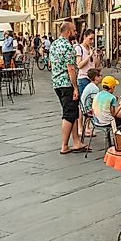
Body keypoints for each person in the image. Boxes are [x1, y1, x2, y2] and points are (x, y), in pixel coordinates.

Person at [50, 21, 87, 154]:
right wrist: (75, 87)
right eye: (74, 30)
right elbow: (71, 69)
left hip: (57, 83)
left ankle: (76, 142)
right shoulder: (68, 47)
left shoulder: (54, 44)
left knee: (73, 112)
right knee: (68, 114)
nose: (76, 33)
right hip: (67, 84)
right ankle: (64, 145)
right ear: (68, 32)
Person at [80, 68, 103, 136]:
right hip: (89, 110)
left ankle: (87, 127)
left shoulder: (90, 85)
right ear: (96, 77)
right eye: (100, 75)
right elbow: (96, 102)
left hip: (84, 108)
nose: (101, 77)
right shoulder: (95, 88)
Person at [75, 29, 98, 96]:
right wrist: (89, 56)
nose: (92, 41)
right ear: (85, 37)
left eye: (93, 39)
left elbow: (95, 65)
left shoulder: (91, 49)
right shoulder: (79, 48)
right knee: (85, 102)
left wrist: (98, 56)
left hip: (92, 78)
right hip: (83, 79)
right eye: (90, 39)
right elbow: (79, 65)